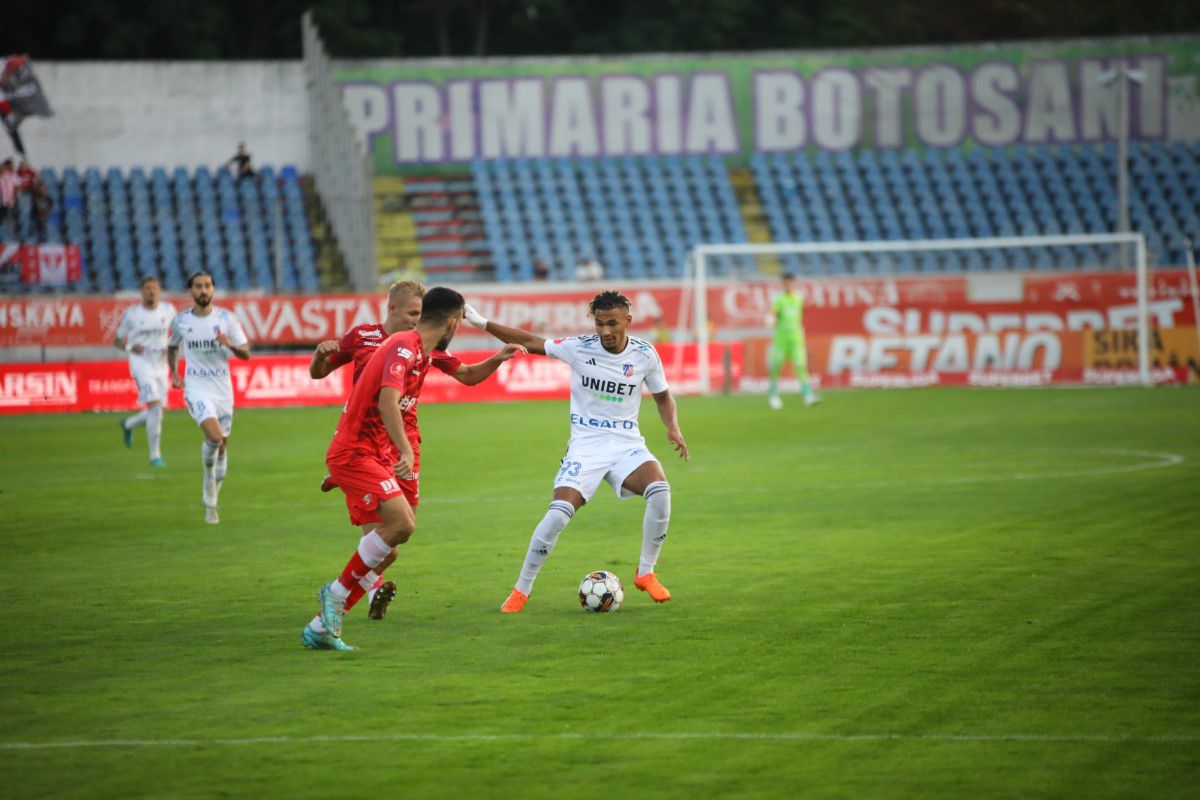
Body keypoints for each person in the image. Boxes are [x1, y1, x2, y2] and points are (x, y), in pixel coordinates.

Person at [304, 287, 524, 650]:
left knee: (391, 545)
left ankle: (322, 625)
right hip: (360, 452)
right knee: (401, 525)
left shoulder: (423, 349)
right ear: (453, 321)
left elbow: (466, 376)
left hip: (376, 453)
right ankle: (334, 597)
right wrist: (404, 449)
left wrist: (498, 358)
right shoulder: (403, 346)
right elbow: (387, 399)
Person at [462, 290, 690, 613]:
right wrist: (482, 322)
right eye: (599, 324)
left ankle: (646, 572)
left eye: (612, 323)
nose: (606, 331)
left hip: (627, 444)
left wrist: (673, 427)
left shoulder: (645, 355)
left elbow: (664, 397)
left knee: (660, 490)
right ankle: (520, 590)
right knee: (557, 514)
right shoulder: (580, 348)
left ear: (628, 320)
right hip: (586, 446)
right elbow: (531, 341)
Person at [167, 271, 252, 524]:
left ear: (213, 289)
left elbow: (246, 353)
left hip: (222, 390)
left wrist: (229, 344)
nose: (203, 290)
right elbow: (172, 347)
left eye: (207, 286)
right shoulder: (180, 321)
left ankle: (213, 500)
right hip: (196, 388)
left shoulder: (227, 319)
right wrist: (173, 372)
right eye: (198, 286)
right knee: (214, 437)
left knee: (223, 446)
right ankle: (207, 486)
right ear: (191, 291)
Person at [113, 276, 176, 466]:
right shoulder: (131, 314)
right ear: (142, 291)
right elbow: (117, 340)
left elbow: (178, 333)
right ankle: (155, 456)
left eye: (155, 288)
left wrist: (172, 348)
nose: (151, 292)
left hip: (161, 365)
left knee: (157, 411)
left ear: (159, 291)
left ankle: (128, 424)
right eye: (148, 289)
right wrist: (129, 348)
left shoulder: (168, 310)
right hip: (141, 365)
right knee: (155, 407)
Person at [768, 273, 819, 409]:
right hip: (781, 338)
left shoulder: (799, 298)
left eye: (791, 282)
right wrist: (772, 320)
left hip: (796, 338)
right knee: (776, 366)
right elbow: (774, 315)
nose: (789, 285)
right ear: (783, 284)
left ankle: (808, 395)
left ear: (793, 283)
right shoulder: (778, 300)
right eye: (786, 282)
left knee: (801, 366)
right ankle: (773, 395)